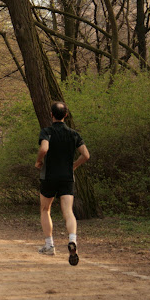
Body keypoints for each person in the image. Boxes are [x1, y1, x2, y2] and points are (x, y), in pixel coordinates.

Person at [35, 102, 90, 266]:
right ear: (66, 115)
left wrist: (39, 160)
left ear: (51, 114)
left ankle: (49, 245)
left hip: (49, 176)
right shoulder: (74, 134)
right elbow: (86, 155)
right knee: (68, 211)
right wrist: (74, 166)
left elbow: (44, 149)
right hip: (67, 177)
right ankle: (73, 240)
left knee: (45, 209)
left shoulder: (47, 132)